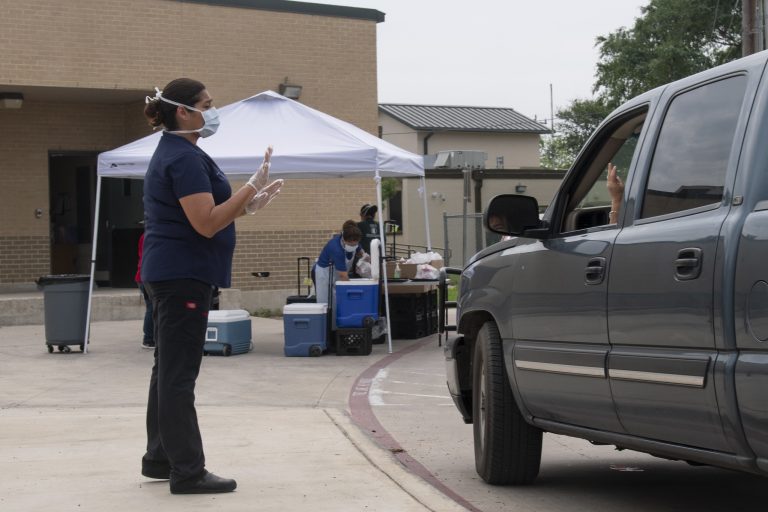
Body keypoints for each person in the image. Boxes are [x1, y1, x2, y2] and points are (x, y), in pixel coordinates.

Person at [140, 78, 282, 495]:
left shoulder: (183, 153)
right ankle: (188, 470)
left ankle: (161, 458)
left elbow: (210, 214)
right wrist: (251, 185)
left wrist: (251, 204)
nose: (213, 110)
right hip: (183, 274)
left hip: (174, 271)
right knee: (179, 374)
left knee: (167, 369)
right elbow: (205, 224)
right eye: (207, 104)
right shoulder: (183, 158)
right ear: (183, 111)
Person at [313, 220, 367, 304]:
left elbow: (361, 252)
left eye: (355, 244)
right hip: (325, 274)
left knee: (337, 301)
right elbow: (343, 276)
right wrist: (353, 291)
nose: (353, 246)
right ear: (344, 240)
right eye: (351, 245)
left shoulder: (353, 239)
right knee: (327, 303)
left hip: (338, 273)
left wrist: (365, 260)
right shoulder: (336, 249)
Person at [135, 230, 154, 349]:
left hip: (142, 276)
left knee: (151, 307)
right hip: (148, 276)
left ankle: (150, 337)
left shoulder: (144, 236)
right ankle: (148, 339)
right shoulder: (152, 236)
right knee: (152, 308)